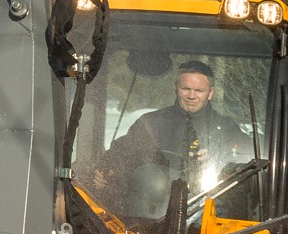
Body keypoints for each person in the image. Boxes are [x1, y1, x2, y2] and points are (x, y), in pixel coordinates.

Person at [85, 61, 255, 220]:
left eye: (199, 91)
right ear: (176, 88)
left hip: (205, 218)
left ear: (211, 93)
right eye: (186, 89)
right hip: (149, 216)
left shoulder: (227, 129)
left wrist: (216, 162)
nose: (191, 95)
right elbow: (121, 155)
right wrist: (106, 172)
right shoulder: (151, 123)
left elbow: (245, 172)